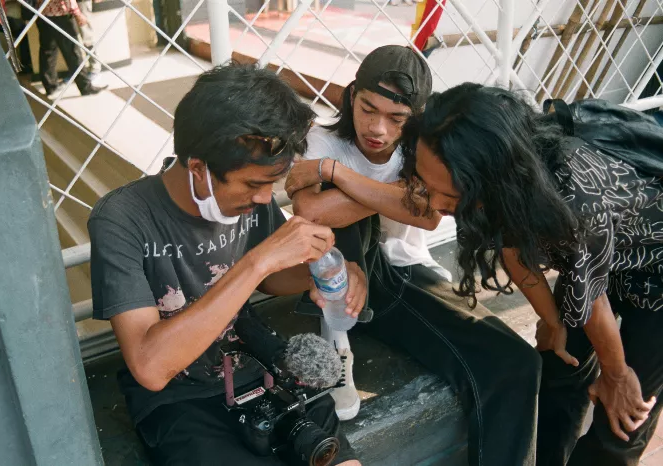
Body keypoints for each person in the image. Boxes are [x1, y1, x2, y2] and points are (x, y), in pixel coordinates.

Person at [88, 64, 364, 466]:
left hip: (261, 363)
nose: (264, 197)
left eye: (271, 183)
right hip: (183, 396)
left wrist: (322, 274)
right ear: (198, 168)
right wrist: (257, 261)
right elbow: (149, 365)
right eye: (253, 185)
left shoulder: (250, 199)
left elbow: (274, 281)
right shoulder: (122, 219)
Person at [285, 45, 542, 466]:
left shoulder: (420, 150)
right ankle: (336, 350)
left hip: (405, 270)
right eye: (368, 108)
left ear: (415, 117)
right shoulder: (323, 140)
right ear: (352, 97)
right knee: (336, 227)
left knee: (518, 363)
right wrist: (397, 196)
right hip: (343, 274)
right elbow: (311, 211)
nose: (378, 129)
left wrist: (336, 176)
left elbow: (424, 215)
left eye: (396, 119)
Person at [405, 82, 662, 466]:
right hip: (599, 259)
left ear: (491, 177)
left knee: (621, 421)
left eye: (450, 196)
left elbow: (590, 295)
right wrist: (552, 319)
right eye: (427, 185)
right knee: (559, 370)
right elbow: (513, 248)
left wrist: (618, 374)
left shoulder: (574, 199)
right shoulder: (509, 178)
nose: (435, 204)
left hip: (657, 276)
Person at [37, 0, 106, 98]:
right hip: (61, 15)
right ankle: (85, 87)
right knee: (73, 53)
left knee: (47, 53)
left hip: (43, 15)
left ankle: (50, 86)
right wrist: (77, 14)